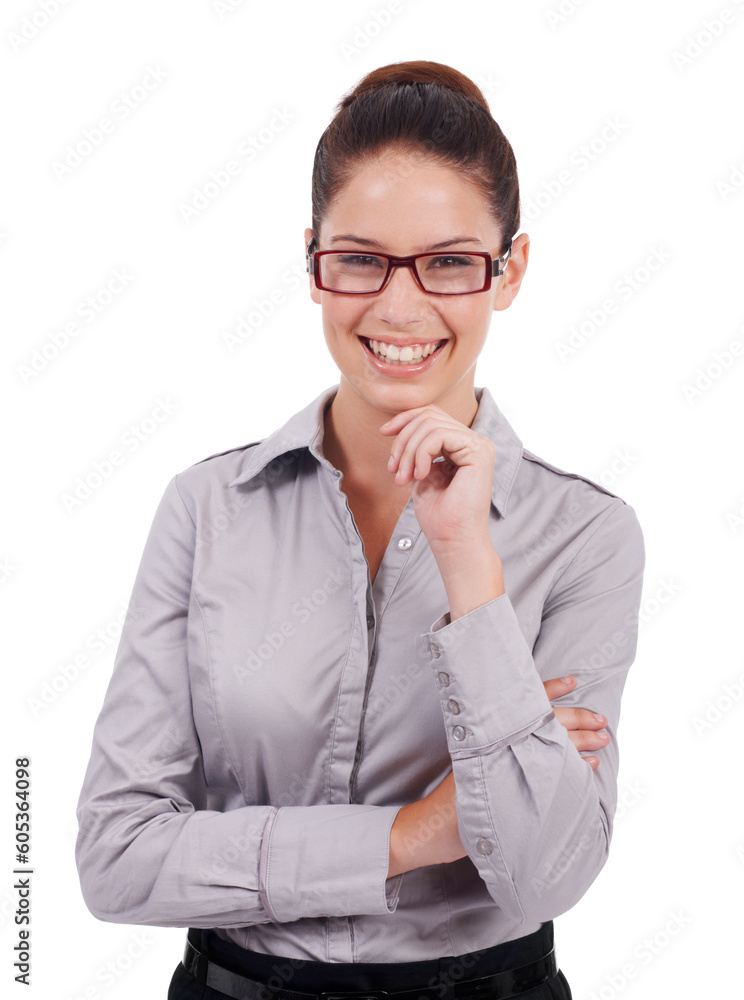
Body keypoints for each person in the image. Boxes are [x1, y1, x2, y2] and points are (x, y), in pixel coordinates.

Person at [74, 60, 645, 1000]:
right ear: (313, 261)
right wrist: (417, 834)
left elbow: (546, 875)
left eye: (451, 261)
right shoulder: (206, 509)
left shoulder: (587, 534)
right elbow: (116, 859)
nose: (400, 305)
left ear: (511, 272)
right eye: (361, 258)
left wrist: (470, 565)